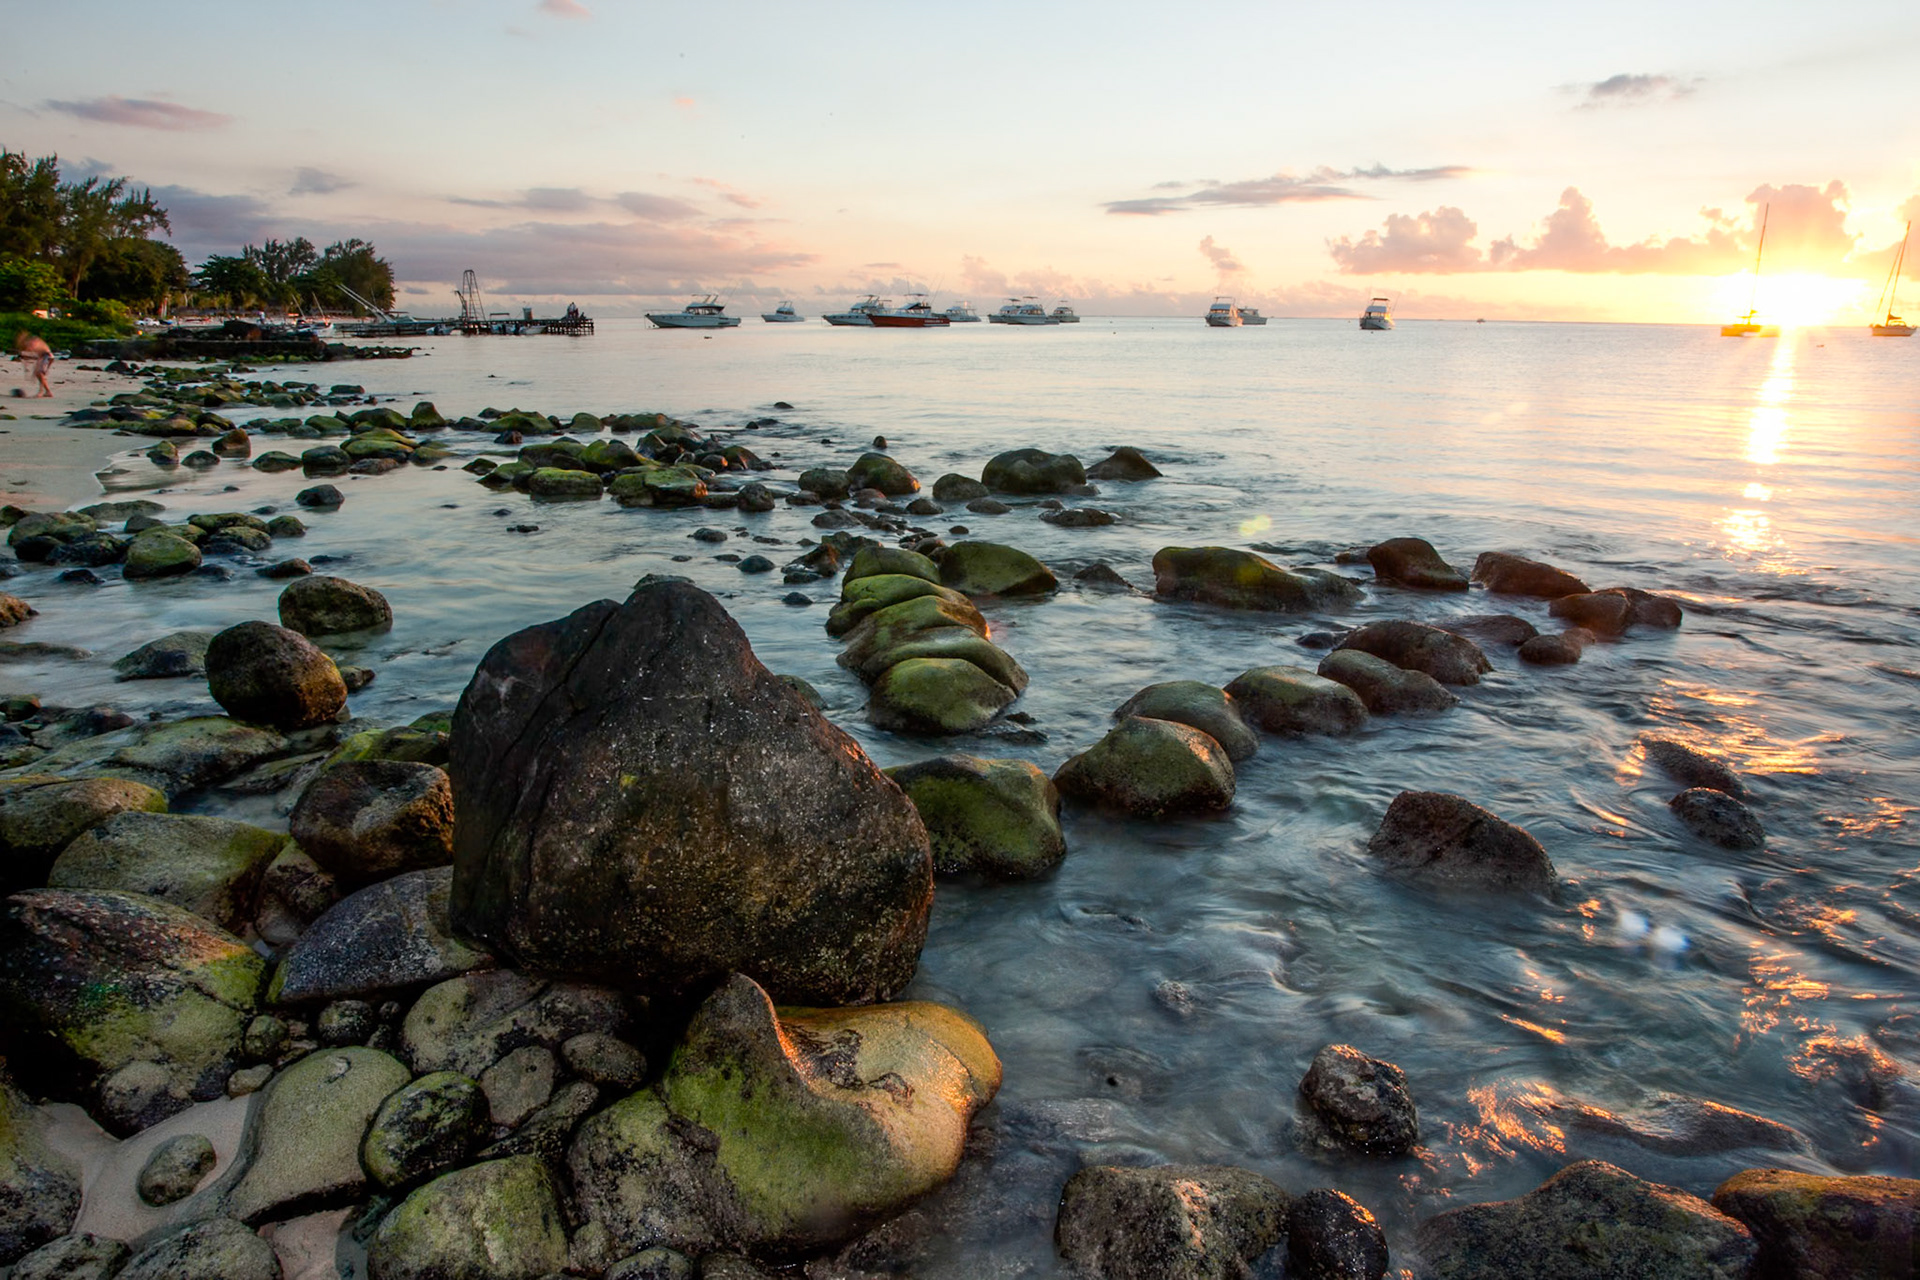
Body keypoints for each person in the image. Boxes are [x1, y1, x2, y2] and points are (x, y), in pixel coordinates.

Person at [14, 332, 52, 398]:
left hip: (47, 356)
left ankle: (41, 392)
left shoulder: (34, 342)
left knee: (40, 374)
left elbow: (31, 349)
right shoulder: (33, 342)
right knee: (38, 374)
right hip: (43, 357)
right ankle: (48, 392)